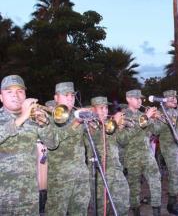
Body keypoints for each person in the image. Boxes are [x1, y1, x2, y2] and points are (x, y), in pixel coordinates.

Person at [0, 75, 59, 214]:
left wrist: (44, 124)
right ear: (1, 97)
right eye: (9, 92)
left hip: (29, 196)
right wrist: (22, 117)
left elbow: (53, 144)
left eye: (20, 91)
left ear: (25, 95)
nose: (15, 95)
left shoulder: (34, 117)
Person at [46, 82, 91, 216]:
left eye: (72, 95)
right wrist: (76, 123)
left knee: (80, 211)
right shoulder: (49, 115)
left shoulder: (75, 114)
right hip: (61, 177)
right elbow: (53, 140)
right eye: (66, 95)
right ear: (56, 98)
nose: (70, 98)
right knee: (56, 212)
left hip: (81, 175)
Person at [116, 89, 161, 216]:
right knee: (134, 187)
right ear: (128, 99)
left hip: (147, 154)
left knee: (156, 180)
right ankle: (136, 212)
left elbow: (157, 131)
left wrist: (155, 119)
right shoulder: (122, 116)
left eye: (140, 98)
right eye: (136, 98)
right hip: (132, 156)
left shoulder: (143, 114)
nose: (140, 101)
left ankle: (157, 211)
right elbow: (121, 139)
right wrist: (144, 119)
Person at [88, 96, 130, 216]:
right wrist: (115, 123)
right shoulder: (90, 124)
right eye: (101, 108)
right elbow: (97, 137)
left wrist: (121, 128)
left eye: (106, 108)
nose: (105, 111)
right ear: (93, 110)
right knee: (102, 208)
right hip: (100, 172)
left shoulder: (109, 123)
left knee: (123, 202)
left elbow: (123, 141)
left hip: (116, 169)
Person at [157, 90, 178, 215]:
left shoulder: (176, 112)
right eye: (172, 98)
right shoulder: (161, 113)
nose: (175, 100)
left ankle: (174, 200)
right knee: (175, 173)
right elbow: (158, 129)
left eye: (176, 97)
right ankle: (171, 204)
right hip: (168, 146)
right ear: (165, 99)